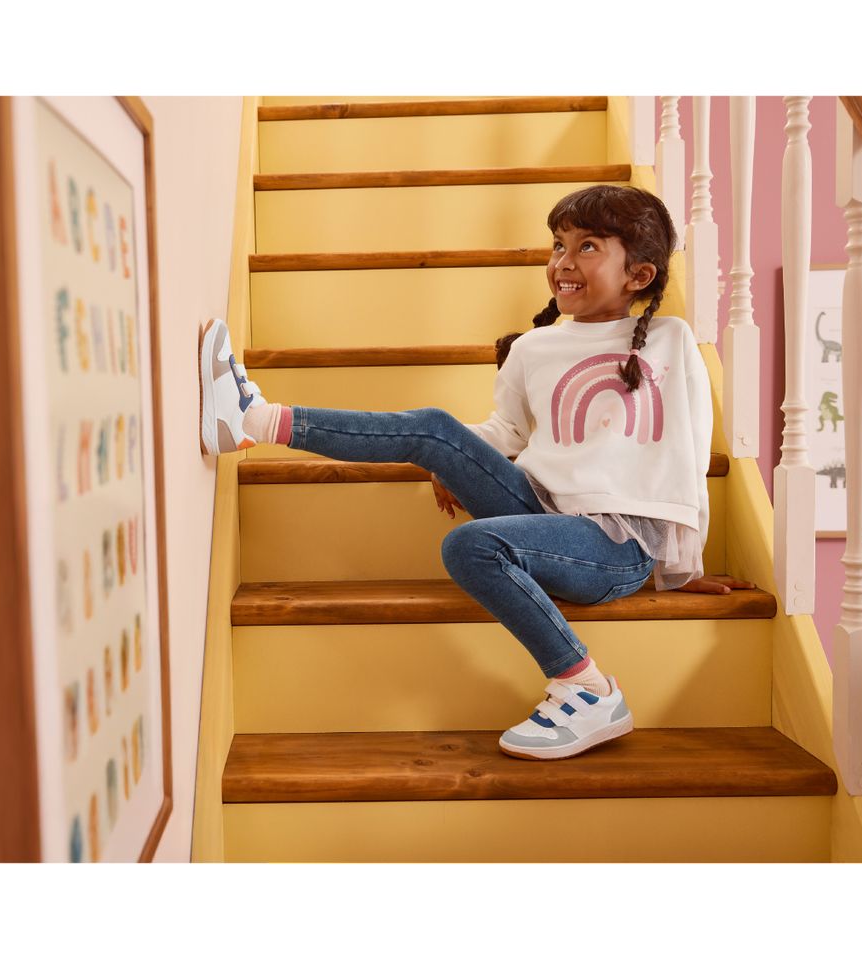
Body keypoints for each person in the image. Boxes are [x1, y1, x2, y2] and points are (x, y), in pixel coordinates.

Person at [198, 184, 754, 761]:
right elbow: (505, 434)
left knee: (472, 545)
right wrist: (456, 456)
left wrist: (680, 567)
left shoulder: (671, 339)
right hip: (541, 508)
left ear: (638, 275)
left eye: (586, 247)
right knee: (436, 427)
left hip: (616, 542)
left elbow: (686, 455)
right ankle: (252, 422)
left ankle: (587, 689)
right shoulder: (534, 348)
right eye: (558, 245)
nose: (562, 262)